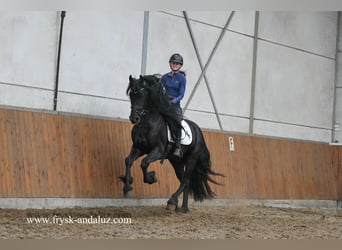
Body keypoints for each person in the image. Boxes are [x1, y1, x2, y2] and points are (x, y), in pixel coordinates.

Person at [160, 53, 186, 158]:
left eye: (177, 64)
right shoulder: (164, 77)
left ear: (180, 65)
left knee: (176, 121)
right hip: (164, 102)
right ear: (170, 63)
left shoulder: (181, 78)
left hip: (174, 104)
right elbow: (160, 90)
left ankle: (177, 146)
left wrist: (173, 101)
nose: (175, 65)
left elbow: (181, 94)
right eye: (173, 63)